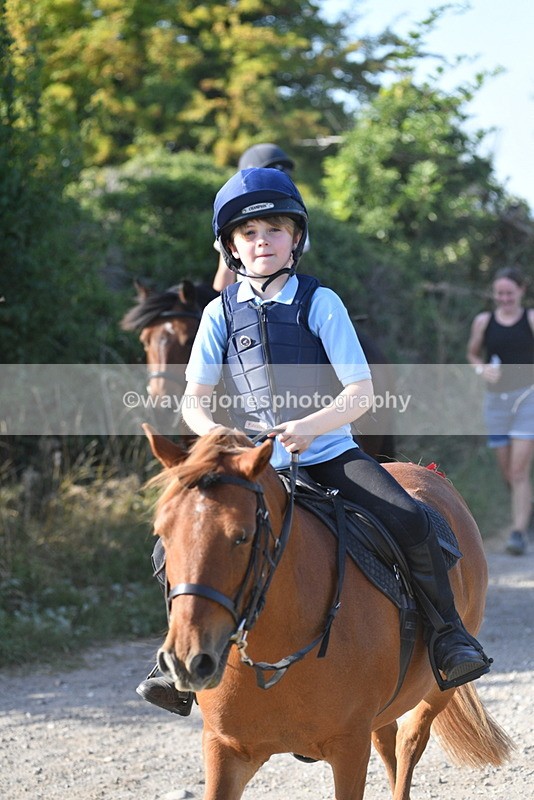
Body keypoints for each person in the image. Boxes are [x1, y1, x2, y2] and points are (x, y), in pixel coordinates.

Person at [137, 167, 491, 715]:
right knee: (171, 544)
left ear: (294, 238)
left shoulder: (321, 302)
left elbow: (360, 391)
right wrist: (216, 433)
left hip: (328, 453)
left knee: (413, 521)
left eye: (273, 231)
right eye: (248, 234)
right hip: (250, 463)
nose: (261, 242)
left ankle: (449, 639)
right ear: (230, 246)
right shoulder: (216, 314)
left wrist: (310, 428)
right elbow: (193, 399)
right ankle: (175, 659)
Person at [467, 267, 534, 556]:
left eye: (510, 292)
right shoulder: (483, 322)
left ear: (521, 290)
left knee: (519, 470)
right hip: (496, 403)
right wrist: (482, 369)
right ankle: (527, 512)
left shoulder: (530, 320)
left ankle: (518, 532)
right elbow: (472, 354)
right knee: (508, 471)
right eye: (500, 293)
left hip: (527, 399)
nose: (505, 298)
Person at [212, 143, 309, 292]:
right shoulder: (236, 220)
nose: (262, 241)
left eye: (284, 172)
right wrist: (225, 307)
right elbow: (225, 273)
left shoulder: (289, 216)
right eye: (250, 233)